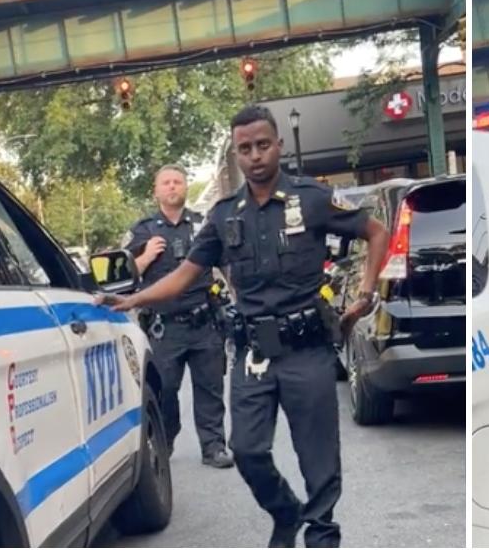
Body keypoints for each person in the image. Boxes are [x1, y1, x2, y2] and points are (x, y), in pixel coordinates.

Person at [99, 104, 389, 548]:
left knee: (318, 459)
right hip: (254, 353)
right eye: (244, 149)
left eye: (262, 145)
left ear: (277, 145)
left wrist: (364, 294)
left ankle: (322, 533)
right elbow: (184, 275)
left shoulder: (310, 198)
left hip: (307, 347)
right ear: (237, 154)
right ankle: (285, 511)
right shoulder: (223, 215)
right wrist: (133, 298)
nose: (254, 155)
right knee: (249, 450)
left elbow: (376, 231)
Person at [124, 164, 234, 469]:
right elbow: (126, 274)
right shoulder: (142, 230)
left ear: (186, 187)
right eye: (166, 183)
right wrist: (144, 257)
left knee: (210, 387)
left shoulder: (202, 225)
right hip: (164, 328)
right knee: (165, 390)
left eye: (178, 182)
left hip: (204, 321)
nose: (172, 187)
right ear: (156, 190)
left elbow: (226, 263)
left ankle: (213, 446)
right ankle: (165, 441)